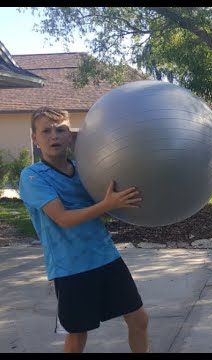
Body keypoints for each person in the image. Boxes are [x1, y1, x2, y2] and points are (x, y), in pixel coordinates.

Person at [19, 107, 149, 353]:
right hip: (70, 268)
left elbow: (106, 206)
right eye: (46, 131)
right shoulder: (33, 176)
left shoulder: (86, 168)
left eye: (61, 130)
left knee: (139, 319)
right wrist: (106, 205)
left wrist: (118, 204)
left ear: (71, 136)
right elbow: (63, 218)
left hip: (105, 257)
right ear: (34, 138)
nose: (54, 136)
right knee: (77, 336)